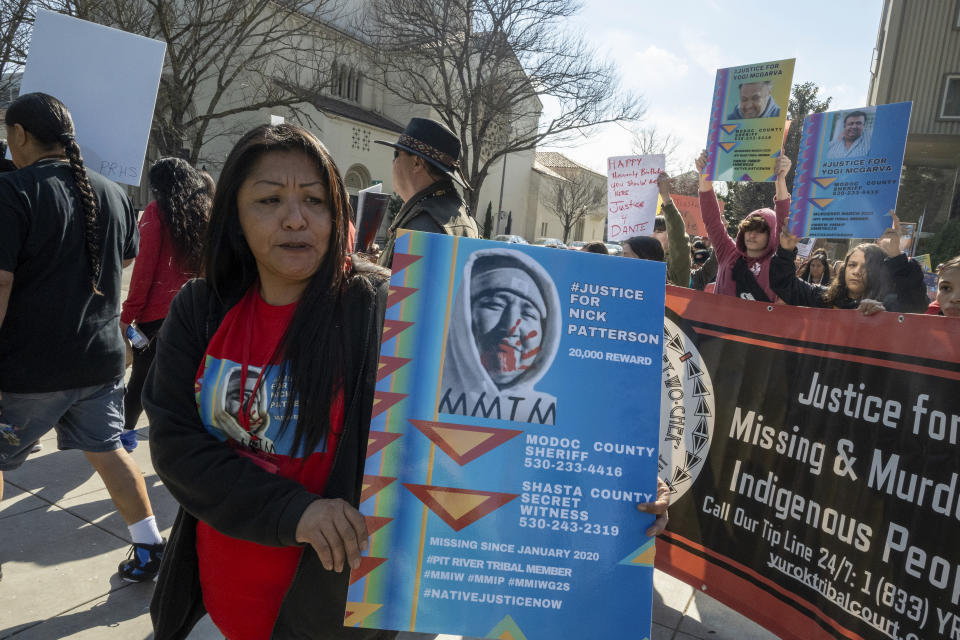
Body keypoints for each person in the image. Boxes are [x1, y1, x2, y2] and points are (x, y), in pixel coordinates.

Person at [144, 123, 396, 640]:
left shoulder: (382, 311)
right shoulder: (201, 309)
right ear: (234, 215)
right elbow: (174, 445)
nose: (296, 218)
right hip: (216, 603)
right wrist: (294, 512)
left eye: (315, 200)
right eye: (269, 200)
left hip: (332, 616)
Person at [0, 92, 164, 583]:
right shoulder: (112, 193)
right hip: (100, 362)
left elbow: (1, 282)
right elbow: (124, 262)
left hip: (30, 370)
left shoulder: (13, 192)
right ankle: (150, 546)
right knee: (109, 449)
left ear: (21, 134)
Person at [119, 157, 210, 452]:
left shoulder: (157, 212)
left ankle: (125, 434)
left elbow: (144, 271)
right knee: (190, 380)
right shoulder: (205, 211)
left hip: (157, 314)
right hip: (197, 308)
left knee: (142, 378)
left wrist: (128, 314)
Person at [438, 249, 560, 426]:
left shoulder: (546, 411)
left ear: (546, 333)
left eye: (528, 314)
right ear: (462, 312)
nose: (511, 326)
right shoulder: (424, 394)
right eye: (495, 305)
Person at [374, 118, 478, 268]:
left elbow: (406, 291)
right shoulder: (458, 211)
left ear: (417, 162)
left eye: (397, 154)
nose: (393, 163)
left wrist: (366, 275)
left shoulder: (421, 227)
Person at [773, 215, 928, 315]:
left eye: (867, 266)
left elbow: (915, 303)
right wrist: (786, 251)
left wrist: (896, 257)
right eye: (852, 265)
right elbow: (784, 284)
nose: (857, 271)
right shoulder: (823, 298)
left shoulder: (888, 307)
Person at [695, 149, 792, 302]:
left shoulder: (777, 263)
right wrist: (704, 175)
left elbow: (785, 223)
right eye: (748, 229)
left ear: (772, 235)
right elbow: (711, 219)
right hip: (718, 325)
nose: (752, 235)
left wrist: (780, 180)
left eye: (760, 231)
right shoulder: (727, 252)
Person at [656, 172, 692, 286]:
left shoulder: (675, 268)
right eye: (651, 231)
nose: (654, 235)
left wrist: (665, 197)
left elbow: (678, 238)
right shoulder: (640, 259)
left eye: (659, 231)